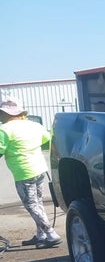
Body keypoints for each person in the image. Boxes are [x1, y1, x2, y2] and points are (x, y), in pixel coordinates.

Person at [0, 97, 62, 248]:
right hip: (40, 169)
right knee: (38, 203)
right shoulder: (35, 126)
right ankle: (41, 235)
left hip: (24, 172)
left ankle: (51, 234)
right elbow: (48, 141)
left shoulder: (4, 130)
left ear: (5, 114)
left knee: (31, 205)